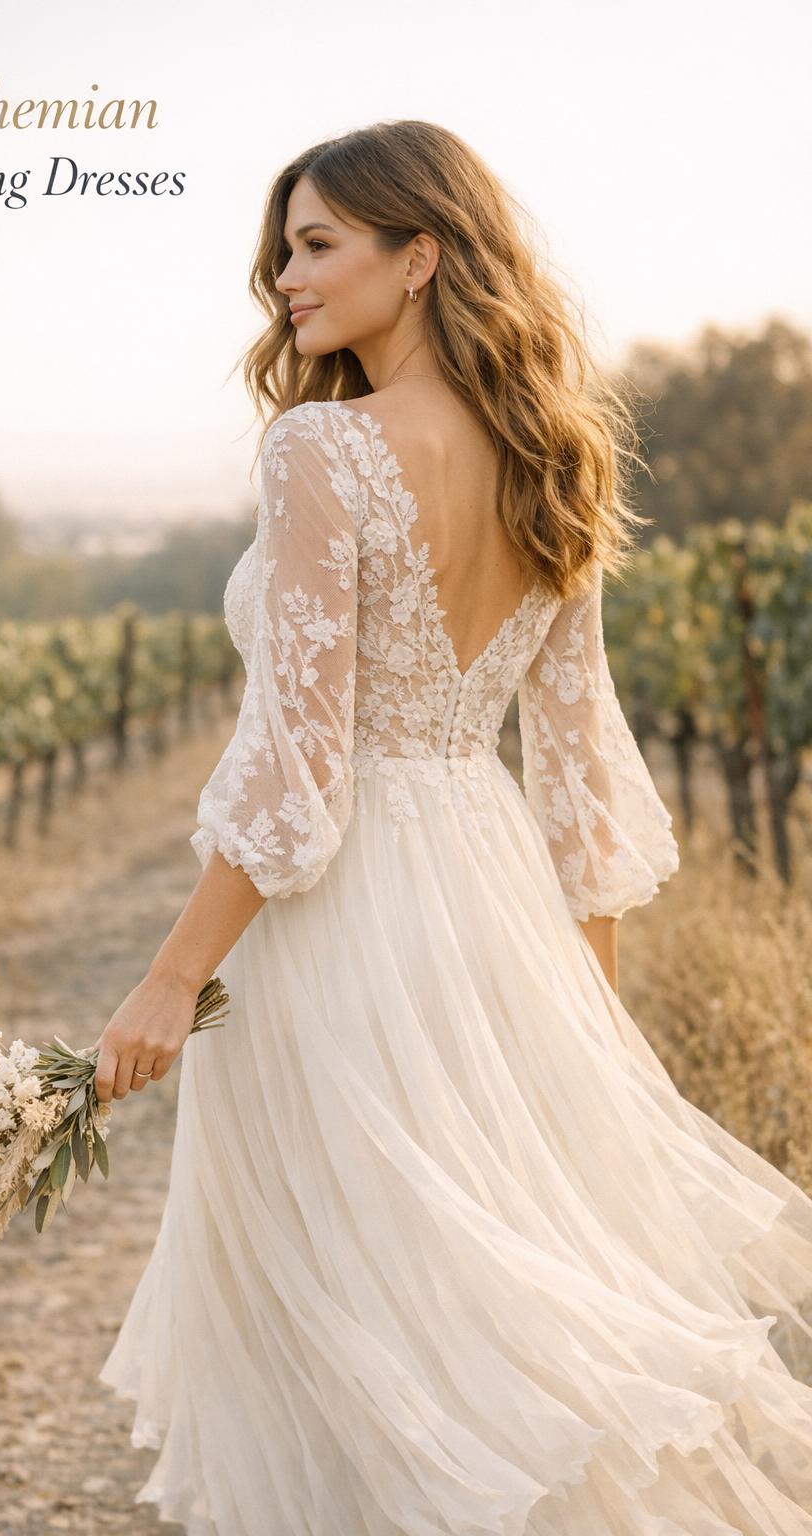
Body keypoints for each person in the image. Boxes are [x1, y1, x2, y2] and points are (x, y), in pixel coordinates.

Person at [91, 121, 812, 1533]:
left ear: (418, 256)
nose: (282, 279)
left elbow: (300, 776)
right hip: (493, 909)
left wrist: (173, 975)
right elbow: (577, 775)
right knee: (483, 1309)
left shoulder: (321, 450)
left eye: (316, 245)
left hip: (345, 917)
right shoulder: (553, 456)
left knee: (354, 1318)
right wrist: (584, 1016)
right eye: (282, 248)